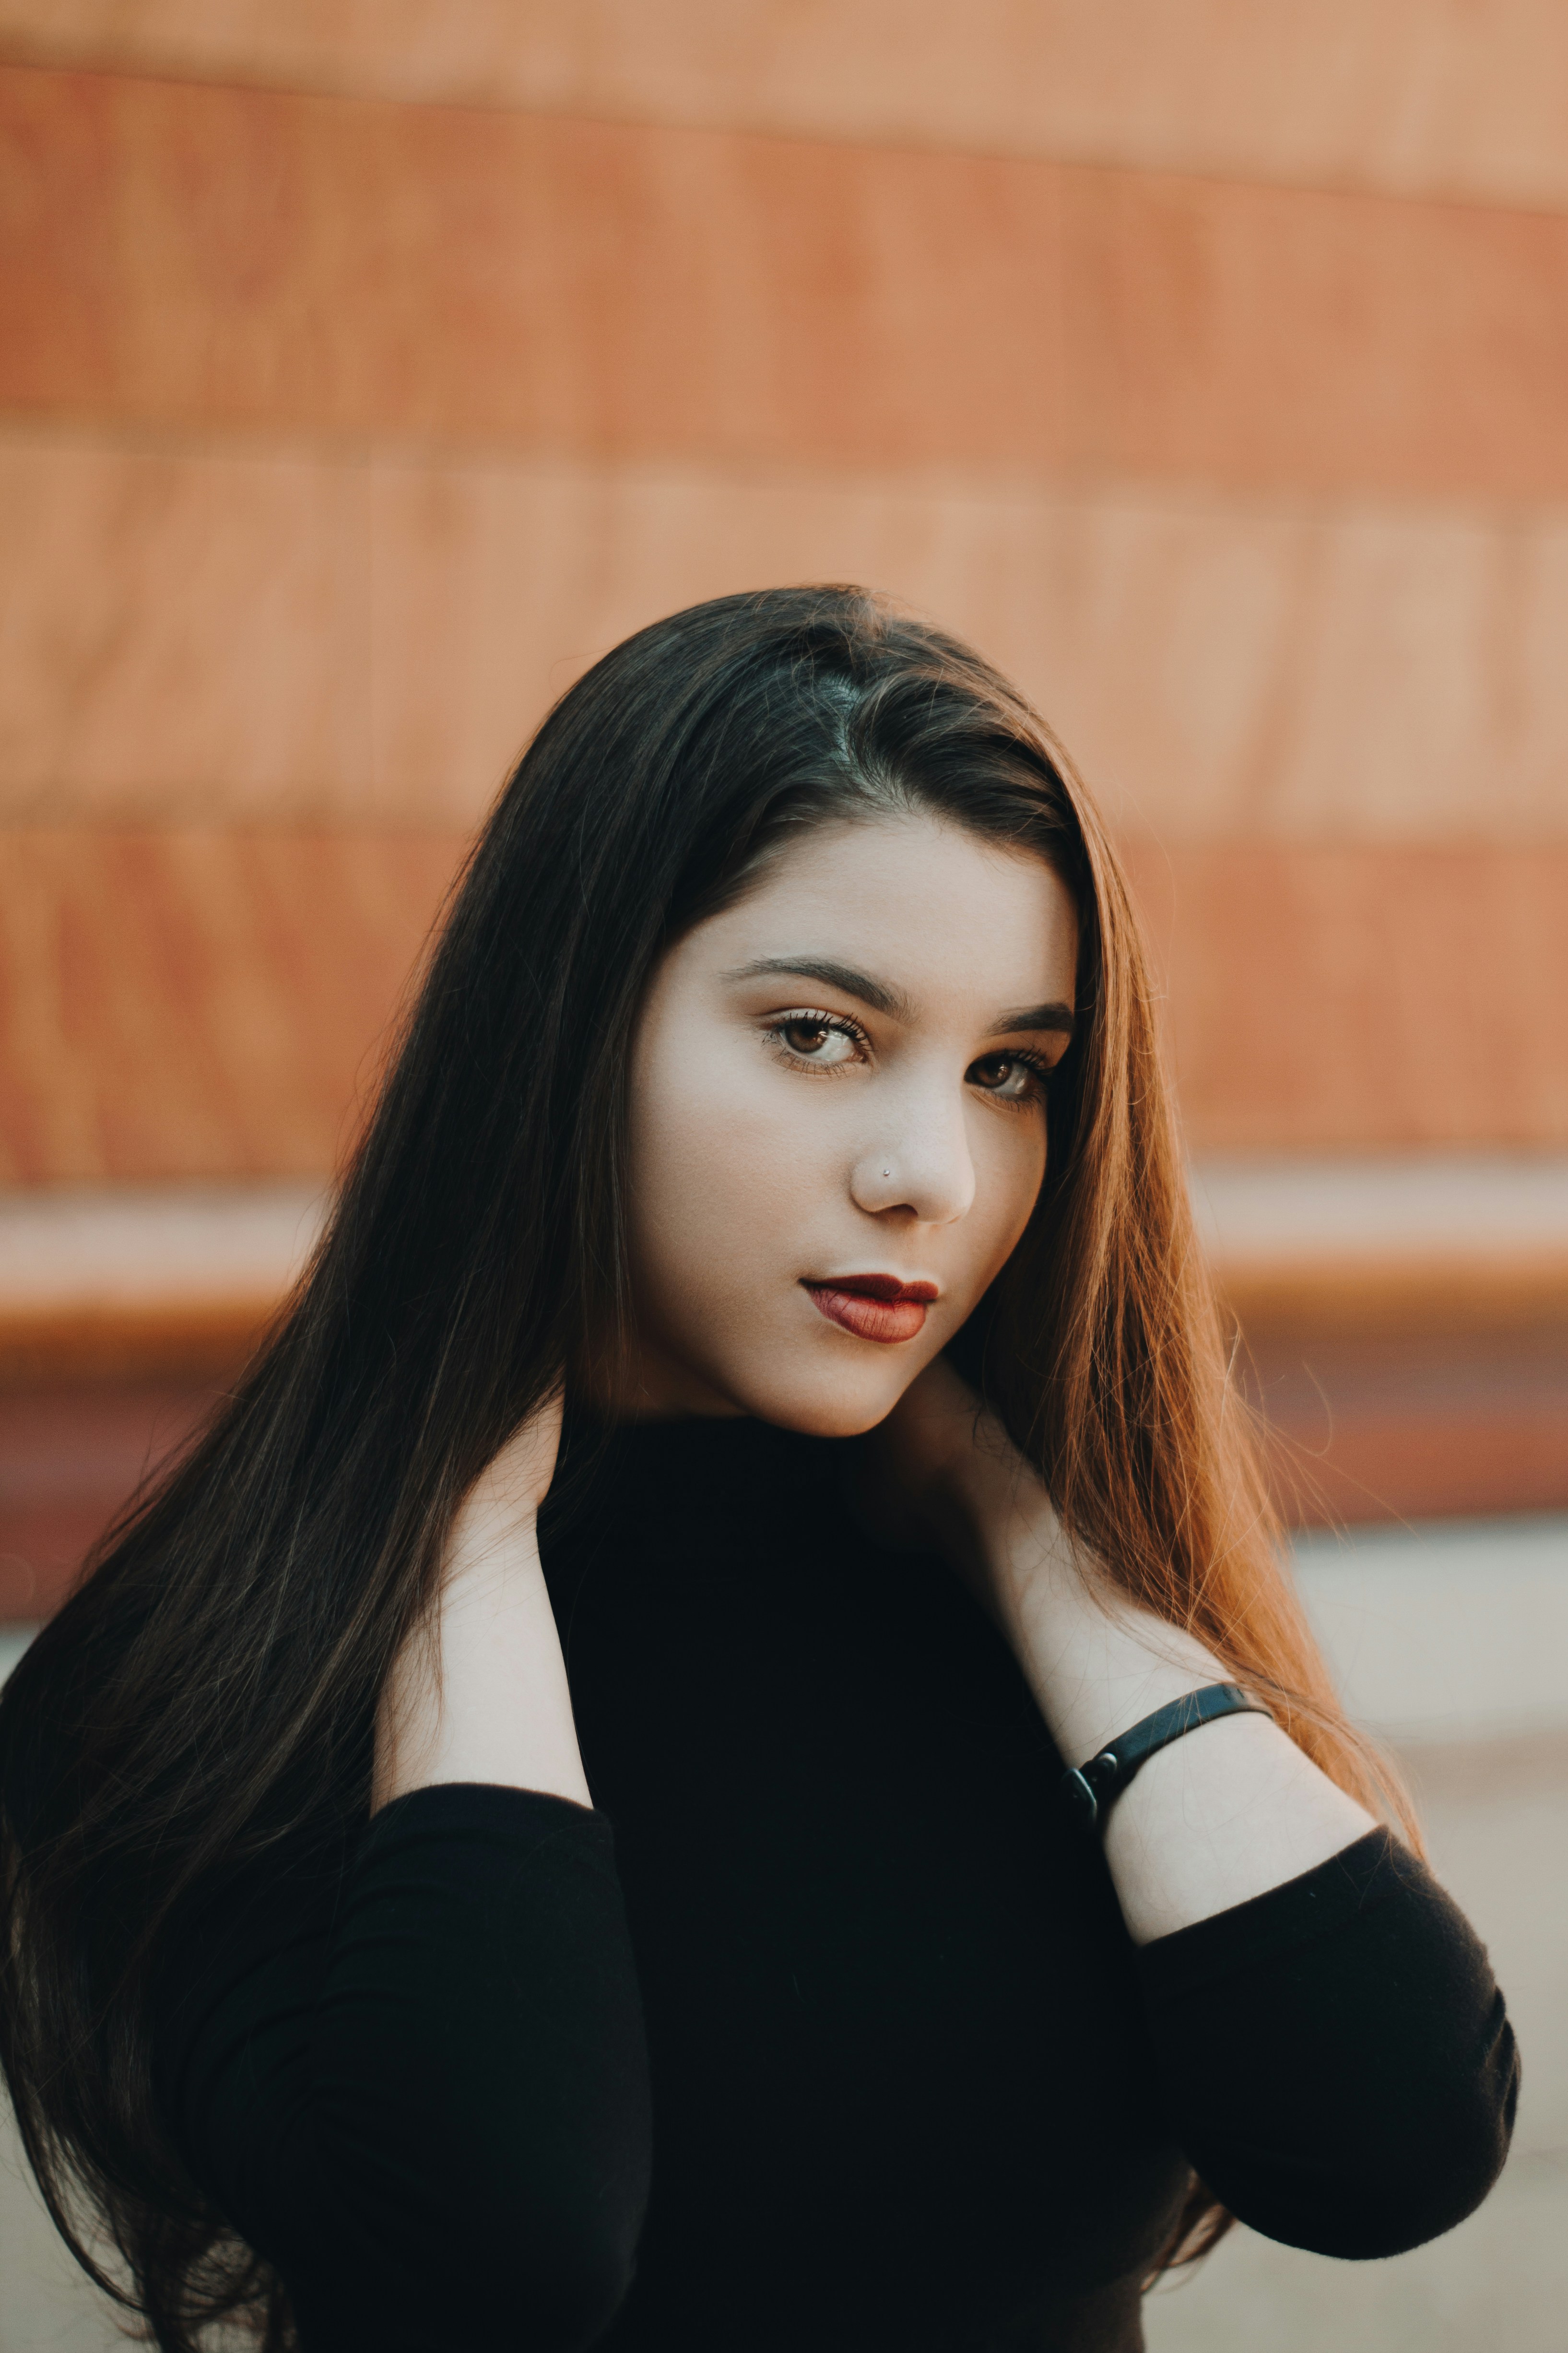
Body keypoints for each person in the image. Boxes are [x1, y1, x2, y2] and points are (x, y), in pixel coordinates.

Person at [0, 589, 1517, 2353]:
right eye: (818, 1033)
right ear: (566, 1036)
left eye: (1014, 1069)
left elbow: (1398, 2143)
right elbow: (502, 2240)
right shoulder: (212, 1682)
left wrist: (1031, 1540)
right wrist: (465, 1532)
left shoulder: (1025, 1626)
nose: (932, 1173)